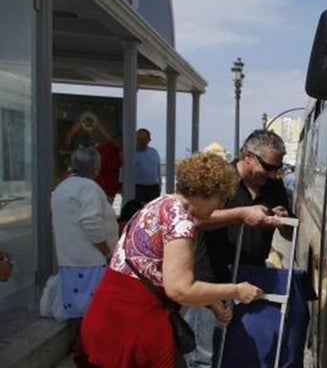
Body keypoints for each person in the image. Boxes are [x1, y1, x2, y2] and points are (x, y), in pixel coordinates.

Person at [76, 152, 281, 368]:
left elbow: (158, 272)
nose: (219, 207)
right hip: (135, 328)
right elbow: (180, 289)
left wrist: (211, 303)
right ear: (209, 193)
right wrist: (237, 290)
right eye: (222, 200)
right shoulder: (180, 221)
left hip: (105, 319)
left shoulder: (160, 204)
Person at [194, 129, 312, 368]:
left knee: (242, 349)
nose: (270, 175)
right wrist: (240, 214)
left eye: (276, 169)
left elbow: (288, 233)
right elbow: (197, 219)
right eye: (267, 167)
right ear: (248, 156)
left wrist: (283, 220)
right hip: (212, 279)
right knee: (206, 354)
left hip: (252, 279)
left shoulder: (274, 186)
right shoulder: (219, 180)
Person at [51, 146, 119, 318]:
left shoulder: (62, 187)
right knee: (92, 312)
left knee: (77, 310)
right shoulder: (88, 187)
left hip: (70, 260)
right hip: (90, 262)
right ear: (95, 167)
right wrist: (107, 251)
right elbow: (91, 223)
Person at [135, 128, 162, 204]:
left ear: (149, 140)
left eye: (143, 139)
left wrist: (159, 185)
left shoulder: (153, 152)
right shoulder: (131, 153)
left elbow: (158, 170)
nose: (141, 141)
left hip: (153, 187)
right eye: (138, 139)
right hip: (137, 188)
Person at [95, 132, 122, 204]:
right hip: (104, 187)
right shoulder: (104, 149)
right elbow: (105, 165)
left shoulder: (116, 150)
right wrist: (120, 159)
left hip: (111, 187)